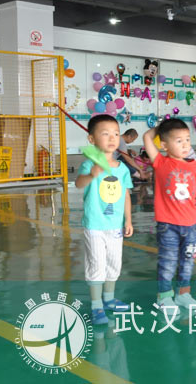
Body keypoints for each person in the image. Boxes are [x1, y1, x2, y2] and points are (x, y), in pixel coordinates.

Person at [142, 118, 196, 318]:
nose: (185, 145)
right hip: (168, 225)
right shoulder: (161, 162)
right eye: (179, 141)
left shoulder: (195, 166)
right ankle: (164, 297)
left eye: (187, 140)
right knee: (168, 262)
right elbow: (147, 137)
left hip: (190, 225)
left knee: (188, 261)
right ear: (164, 145)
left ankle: (183, 294)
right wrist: (161, 127)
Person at [75, 114, 133, 325]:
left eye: (116, 134)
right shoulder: (89, 164)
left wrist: (128, 220)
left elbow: (126, 194)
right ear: (92, 139)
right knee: (96, 264)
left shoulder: (122, 168)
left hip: (115, 226)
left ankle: (109, 298)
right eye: (105, 134)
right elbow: (79, 184)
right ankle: (96, 305)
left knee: (114, 263)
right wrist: (92, 174)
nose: (112, 138)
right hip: (95, 226)